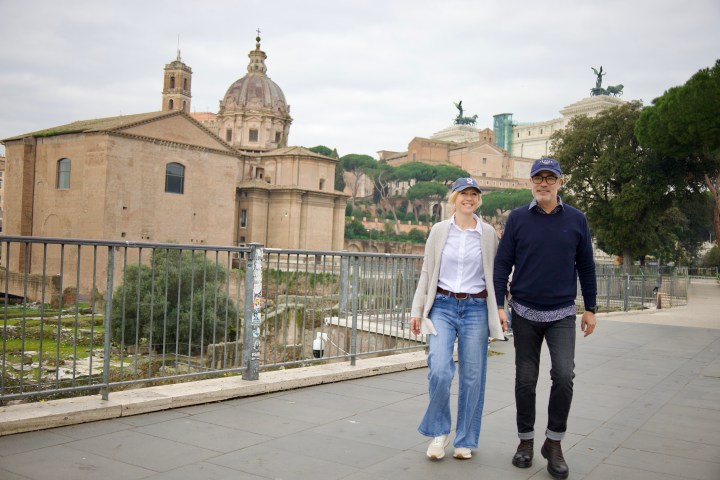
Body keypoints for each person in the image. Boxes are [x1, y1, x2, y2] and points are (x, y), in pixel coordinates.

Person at [493, 158, 597, 480]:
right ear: (530, 183)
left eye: (550, 178)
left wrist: (591, 308)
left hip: (562, 313)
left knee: (564, 375)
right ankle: (525, 441)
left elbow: (587, 266)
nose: (543, 183)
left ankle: (554, 443)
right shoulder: (518, 219)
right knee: (525, 379)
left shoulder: (577, 219)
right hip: (523, 310)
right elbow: (502, 263)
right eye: (538, 178)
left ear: (560, 183)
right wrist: (499, 305)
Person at [410, 177, 507, 461]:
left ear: (479, 199)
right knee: (439, 369)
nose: (469, 198)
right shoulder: (439, 230)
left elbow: (497, 276)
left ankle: (465, 439)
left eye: (474, 194)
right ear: (454, 198)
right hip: (441, 305)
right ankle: (440, 432)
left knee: (473, 377)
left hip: (476, 307)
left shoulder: (488, 233)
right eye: (463, 193)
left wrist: (500, 308)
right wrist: (417, 311)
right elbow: (427, 272)